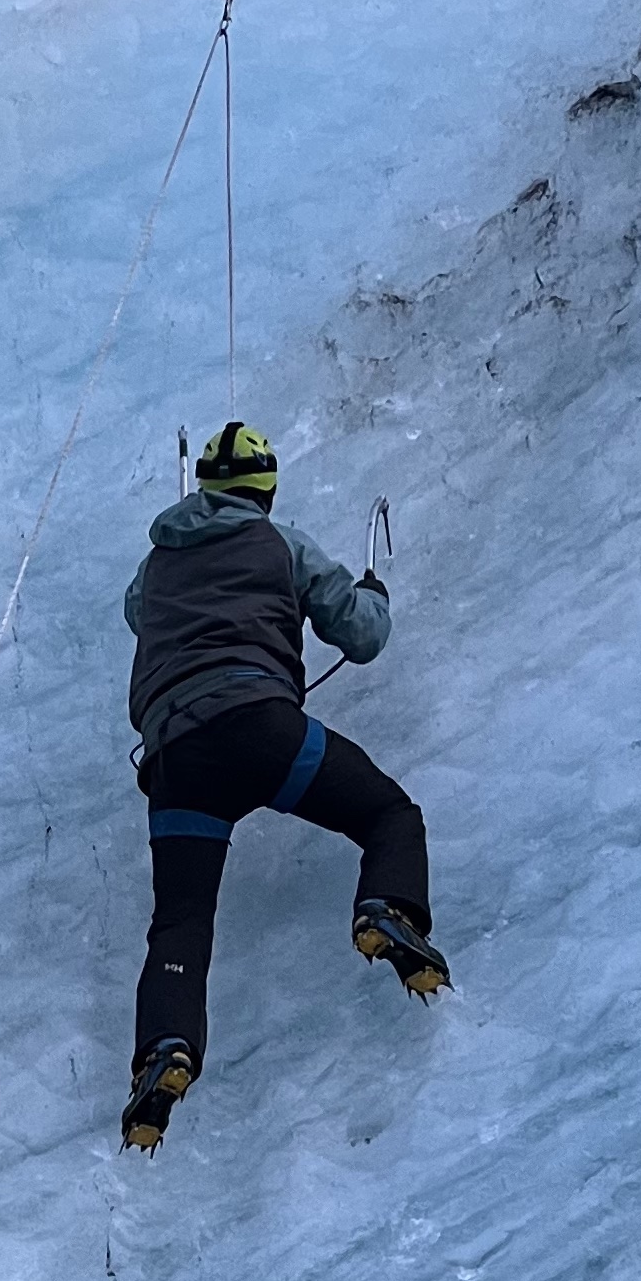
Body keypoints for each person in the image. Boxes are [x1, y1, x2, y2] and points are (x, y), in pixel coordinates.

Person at [118, 423, 444, 1151]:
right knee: (388, 812)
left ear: (201, 483)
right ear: (264, 490)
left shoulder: (154, 566)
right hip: (259, 732)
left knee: (180, 924)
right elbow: (361, 636)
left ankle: (164, 1050)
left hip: (176, 764)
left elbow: (139, 614)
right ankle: (384, 906)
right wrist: (373, 593)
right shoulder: (281, 545)